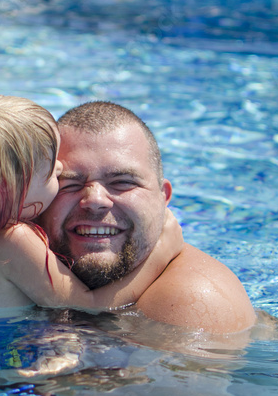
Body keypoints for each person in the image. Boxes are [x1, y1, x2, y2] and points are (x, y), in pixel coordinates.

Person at [0, 94, 182, 320]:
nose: (61, 166)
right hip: (8, 359)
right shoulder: (15, 240)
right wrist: (161, 253)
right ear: (7, 190)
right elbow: (89, 305)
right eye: (53, 171)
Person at [39, 101, 257, 337]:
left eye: (122, 182)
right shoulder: (13, 257)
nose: (95, 199)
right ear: (34, 198)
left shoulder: (189, 300)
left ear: (164, 197)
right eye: (69, 184)